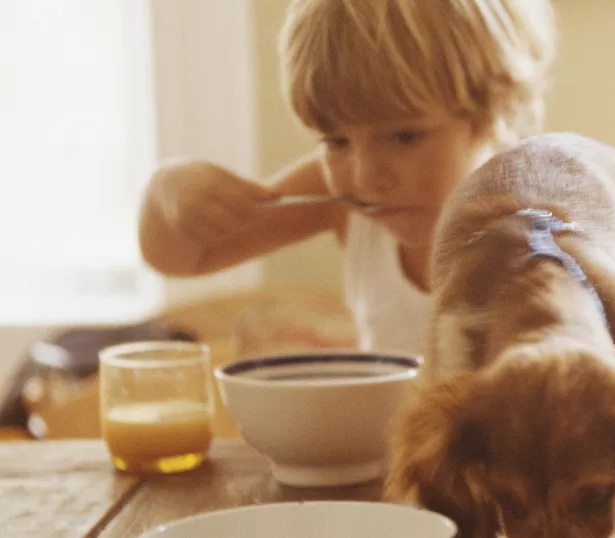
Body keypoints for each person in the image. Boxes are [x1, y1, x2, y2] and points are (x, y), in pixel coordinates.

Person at [137, 0, 556, 355]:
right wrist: (168, 190)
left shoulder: (544, 221)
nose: (366, 177)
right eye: (336, 141)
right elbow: (186, 258)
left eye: (403, 136)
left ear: (495, 109)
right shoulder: (340, 200)